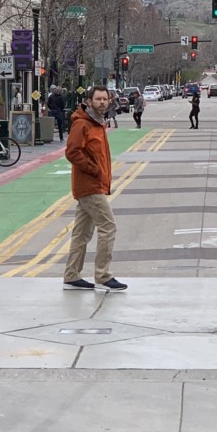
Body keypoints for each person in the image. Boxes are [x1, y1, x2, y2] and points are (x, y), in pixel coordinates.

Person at [62, 87, 126, 293]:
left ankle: (72, 276)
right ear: (89, 101)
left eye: (105, 99)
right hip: (89, 186)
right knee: (108, 227)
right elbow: (72, 151)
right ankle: (103, 275)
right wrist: (94, 170)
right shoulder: (82, 124)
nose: (102, 102)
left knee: (81, 233)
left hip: (92, 184)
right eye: (98, 99)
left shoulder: (97, 124)